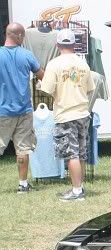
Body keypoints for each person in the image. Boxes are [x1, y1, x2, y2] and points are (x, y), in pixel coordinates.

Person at [39, 29, 94, 201]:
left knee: (72, 155)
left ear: (57, 44)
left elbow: (47, 90)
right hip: (83, 113)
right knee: (81, 153)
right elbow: (90, 88)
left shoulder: (54, 64)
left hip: (65, 114)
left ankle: (77, 192)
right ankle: (80, 186)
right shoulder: (83, 64)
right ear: (74, 44)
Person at [0, 23, 45, 193]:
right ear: (18, 35)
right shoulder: (27, 55)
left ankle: (24, 184)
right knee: (23, 148)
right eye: (23, 36)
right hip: (24, 110)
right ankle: (23, 184)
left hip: (2, 110)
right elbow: (42, 75)